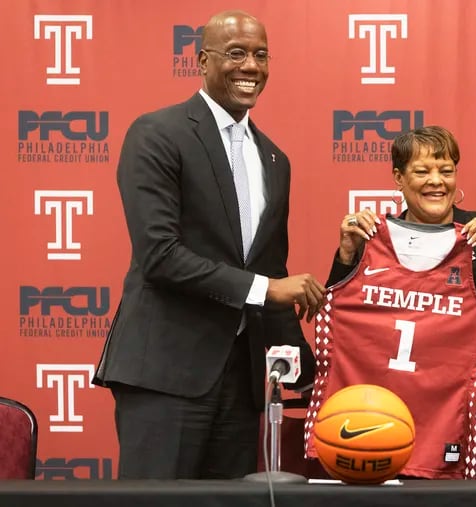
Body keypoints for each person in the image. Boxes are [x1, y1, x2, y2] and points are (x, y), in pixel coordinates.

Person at [92, 10, 326, 479]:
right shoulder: (158, 133)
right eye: (236, 53)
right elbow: (160, 256)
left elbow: (269, 267)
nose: (251, 66)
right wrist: (267, 289)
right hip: (165, 375)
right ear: (202, 60)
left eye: (261, 55)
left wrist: (310, 368)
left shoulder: (274, 158)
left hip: (241, 383)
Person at [316, 126, 476, 479]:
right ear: (398, 177)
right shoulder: (370, 239)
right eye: (422, 171)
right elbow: (339, 324)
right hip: (399, 409)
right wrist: (347, 257)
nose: (436, 182)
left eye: (446, 170)